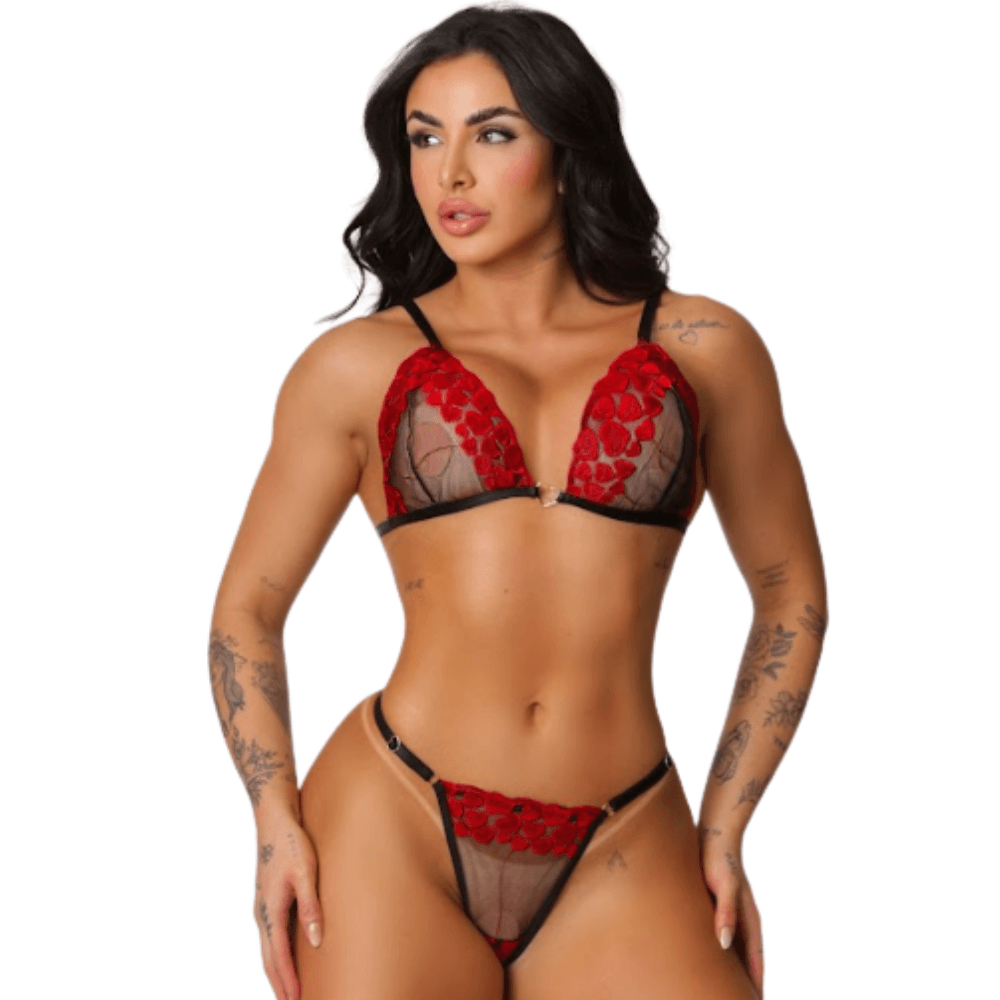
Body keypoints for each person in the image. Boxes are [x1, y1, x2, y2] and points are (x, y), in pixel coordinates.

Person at [208, 6, 827, 999]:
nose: (450, 173)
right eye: (424, 138)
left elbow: (789, 591)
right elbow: (248, 608)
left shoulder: (707, 348)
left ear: (569, 152)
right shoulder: (354, 365)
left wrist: (726, 822)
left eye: (492, 134)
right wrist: (274, 818)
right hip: (395, 820)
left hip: (628, 827)